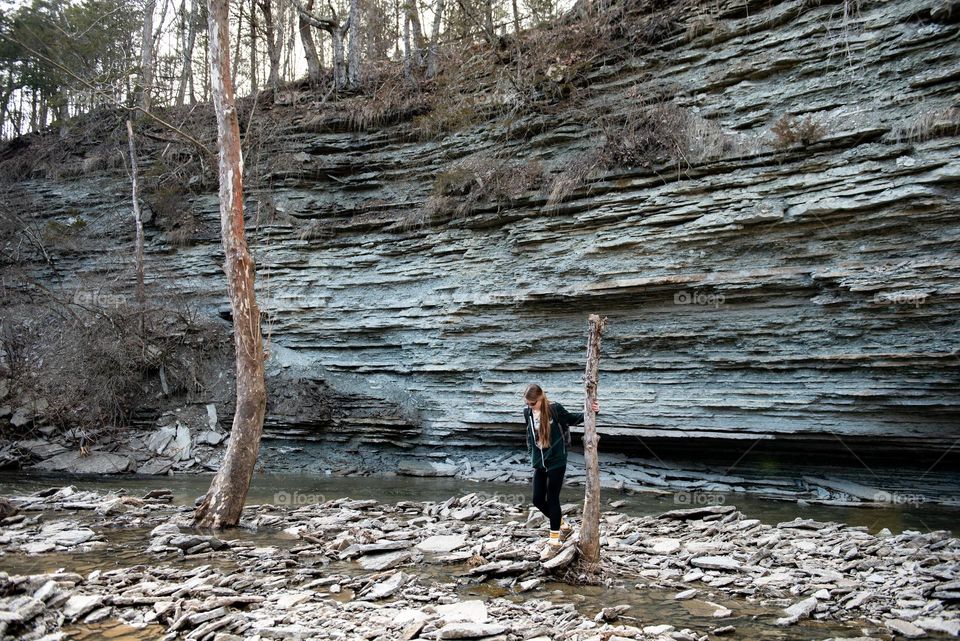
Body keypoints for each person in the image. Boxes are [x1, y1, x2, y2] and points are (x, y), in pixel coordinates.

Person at [523, 383, 599, 557]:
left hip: (556, 462)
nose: (529, 406)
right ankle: (563, 525)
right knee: (537, 500)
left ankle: (555, 540)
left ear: (541, 398)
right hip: (539, 464)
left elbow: (574, 419)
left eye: (533, 403)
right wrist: (531, 454)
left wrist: (593, 410)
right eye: (527, 403)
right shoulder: (527, 412)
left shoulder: (554, 409)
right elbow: (529, 435)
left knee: (552, 499)